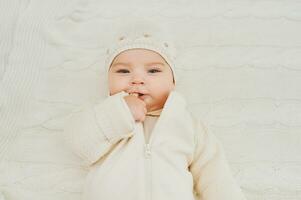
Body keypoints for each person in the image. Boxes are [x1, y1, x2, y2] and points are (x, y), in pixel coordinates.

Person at [63, 20, 247, 200]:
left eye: (153, 71)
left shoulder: (188, 124)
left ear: (173, 81)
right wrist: (120, 112)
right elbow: (79, 142)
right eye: (123, 71)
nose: (137, 79)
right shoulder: (101, 114)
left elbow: (215, 177)